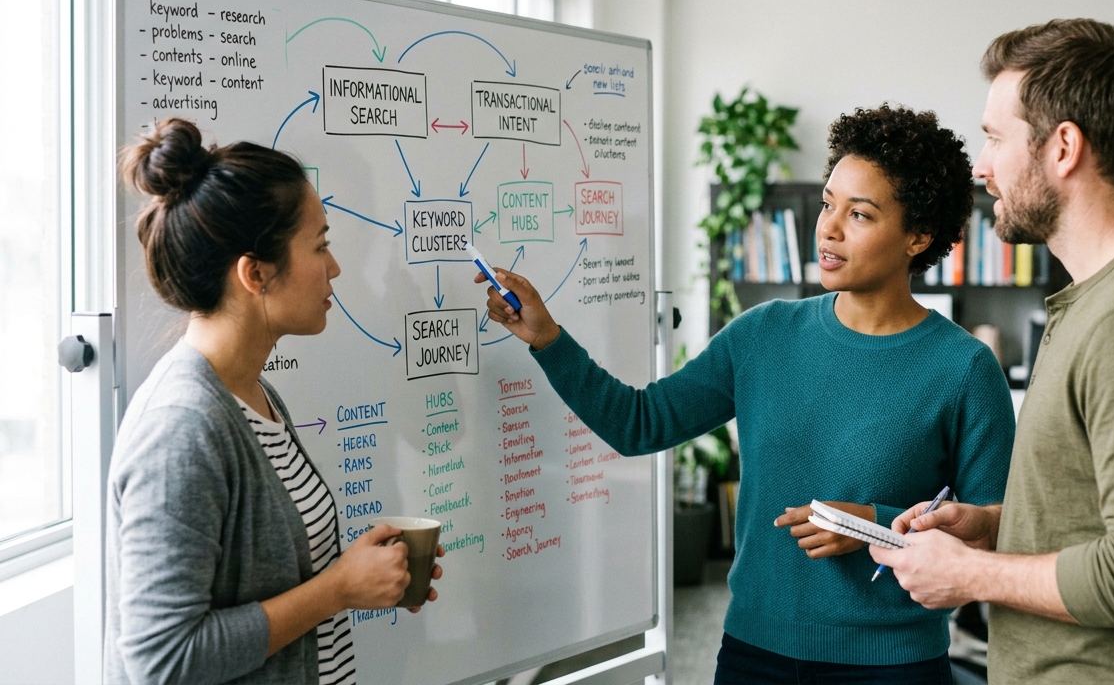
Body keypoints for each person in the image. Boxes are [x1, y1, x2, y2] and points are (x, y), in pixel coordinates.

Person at [484, 105, 1015, 683]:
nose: (829, 228)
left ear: (918, 236)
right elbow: (639, 424)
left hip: (893, 666)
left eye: (860, 214)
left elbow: (993, 530)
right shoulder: (763, 335)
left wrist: (872, 524)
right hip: (754, 655)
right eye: (828, 204)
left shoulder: (964, 369)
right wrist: (548, 339)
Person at [869, 19, 1114, 684]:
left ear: (1064, 148)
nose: (981, 167)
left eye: (995, 138)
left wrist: (973, 574)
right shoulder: (1108, 300)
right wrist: (998, 526)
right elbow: (1099, 517)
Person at [107, 118, 443, 685]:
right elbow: (162, 660)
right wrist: (337, 589)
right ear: (256, 273)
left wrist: (360, 573)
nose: (335, 267)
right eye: (321, 245)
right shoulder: (181, 427)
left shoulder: (255, 395)